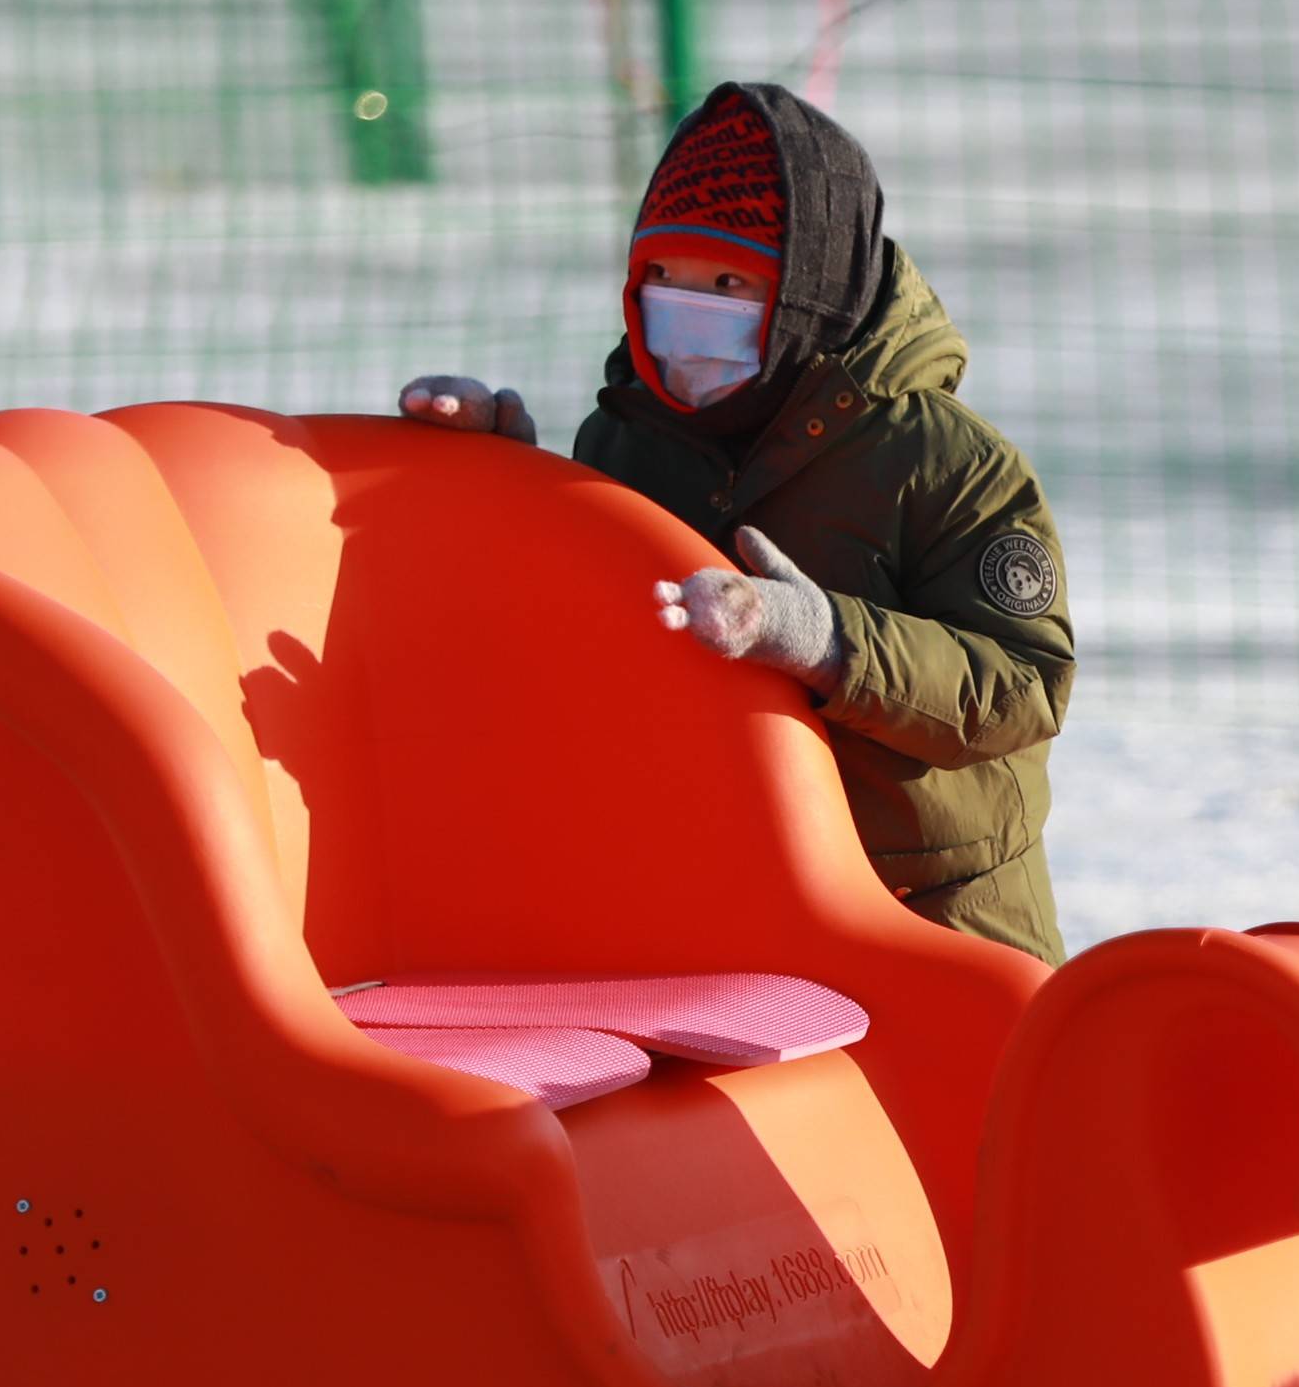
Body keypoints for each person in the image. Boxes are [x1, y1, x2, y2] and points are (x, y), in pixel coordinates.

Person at [401, 82, 1073, 960]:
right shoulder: (626, 434)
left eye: (727, 283)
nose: (689, 314)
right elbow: (596, 636)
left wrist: (826, 639)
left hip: (930, 908)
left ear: (814, 293)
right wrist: (514, 486)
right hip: (711, 890)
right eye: (664, 279)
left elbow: (1023, 686)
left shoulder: (946, 461)